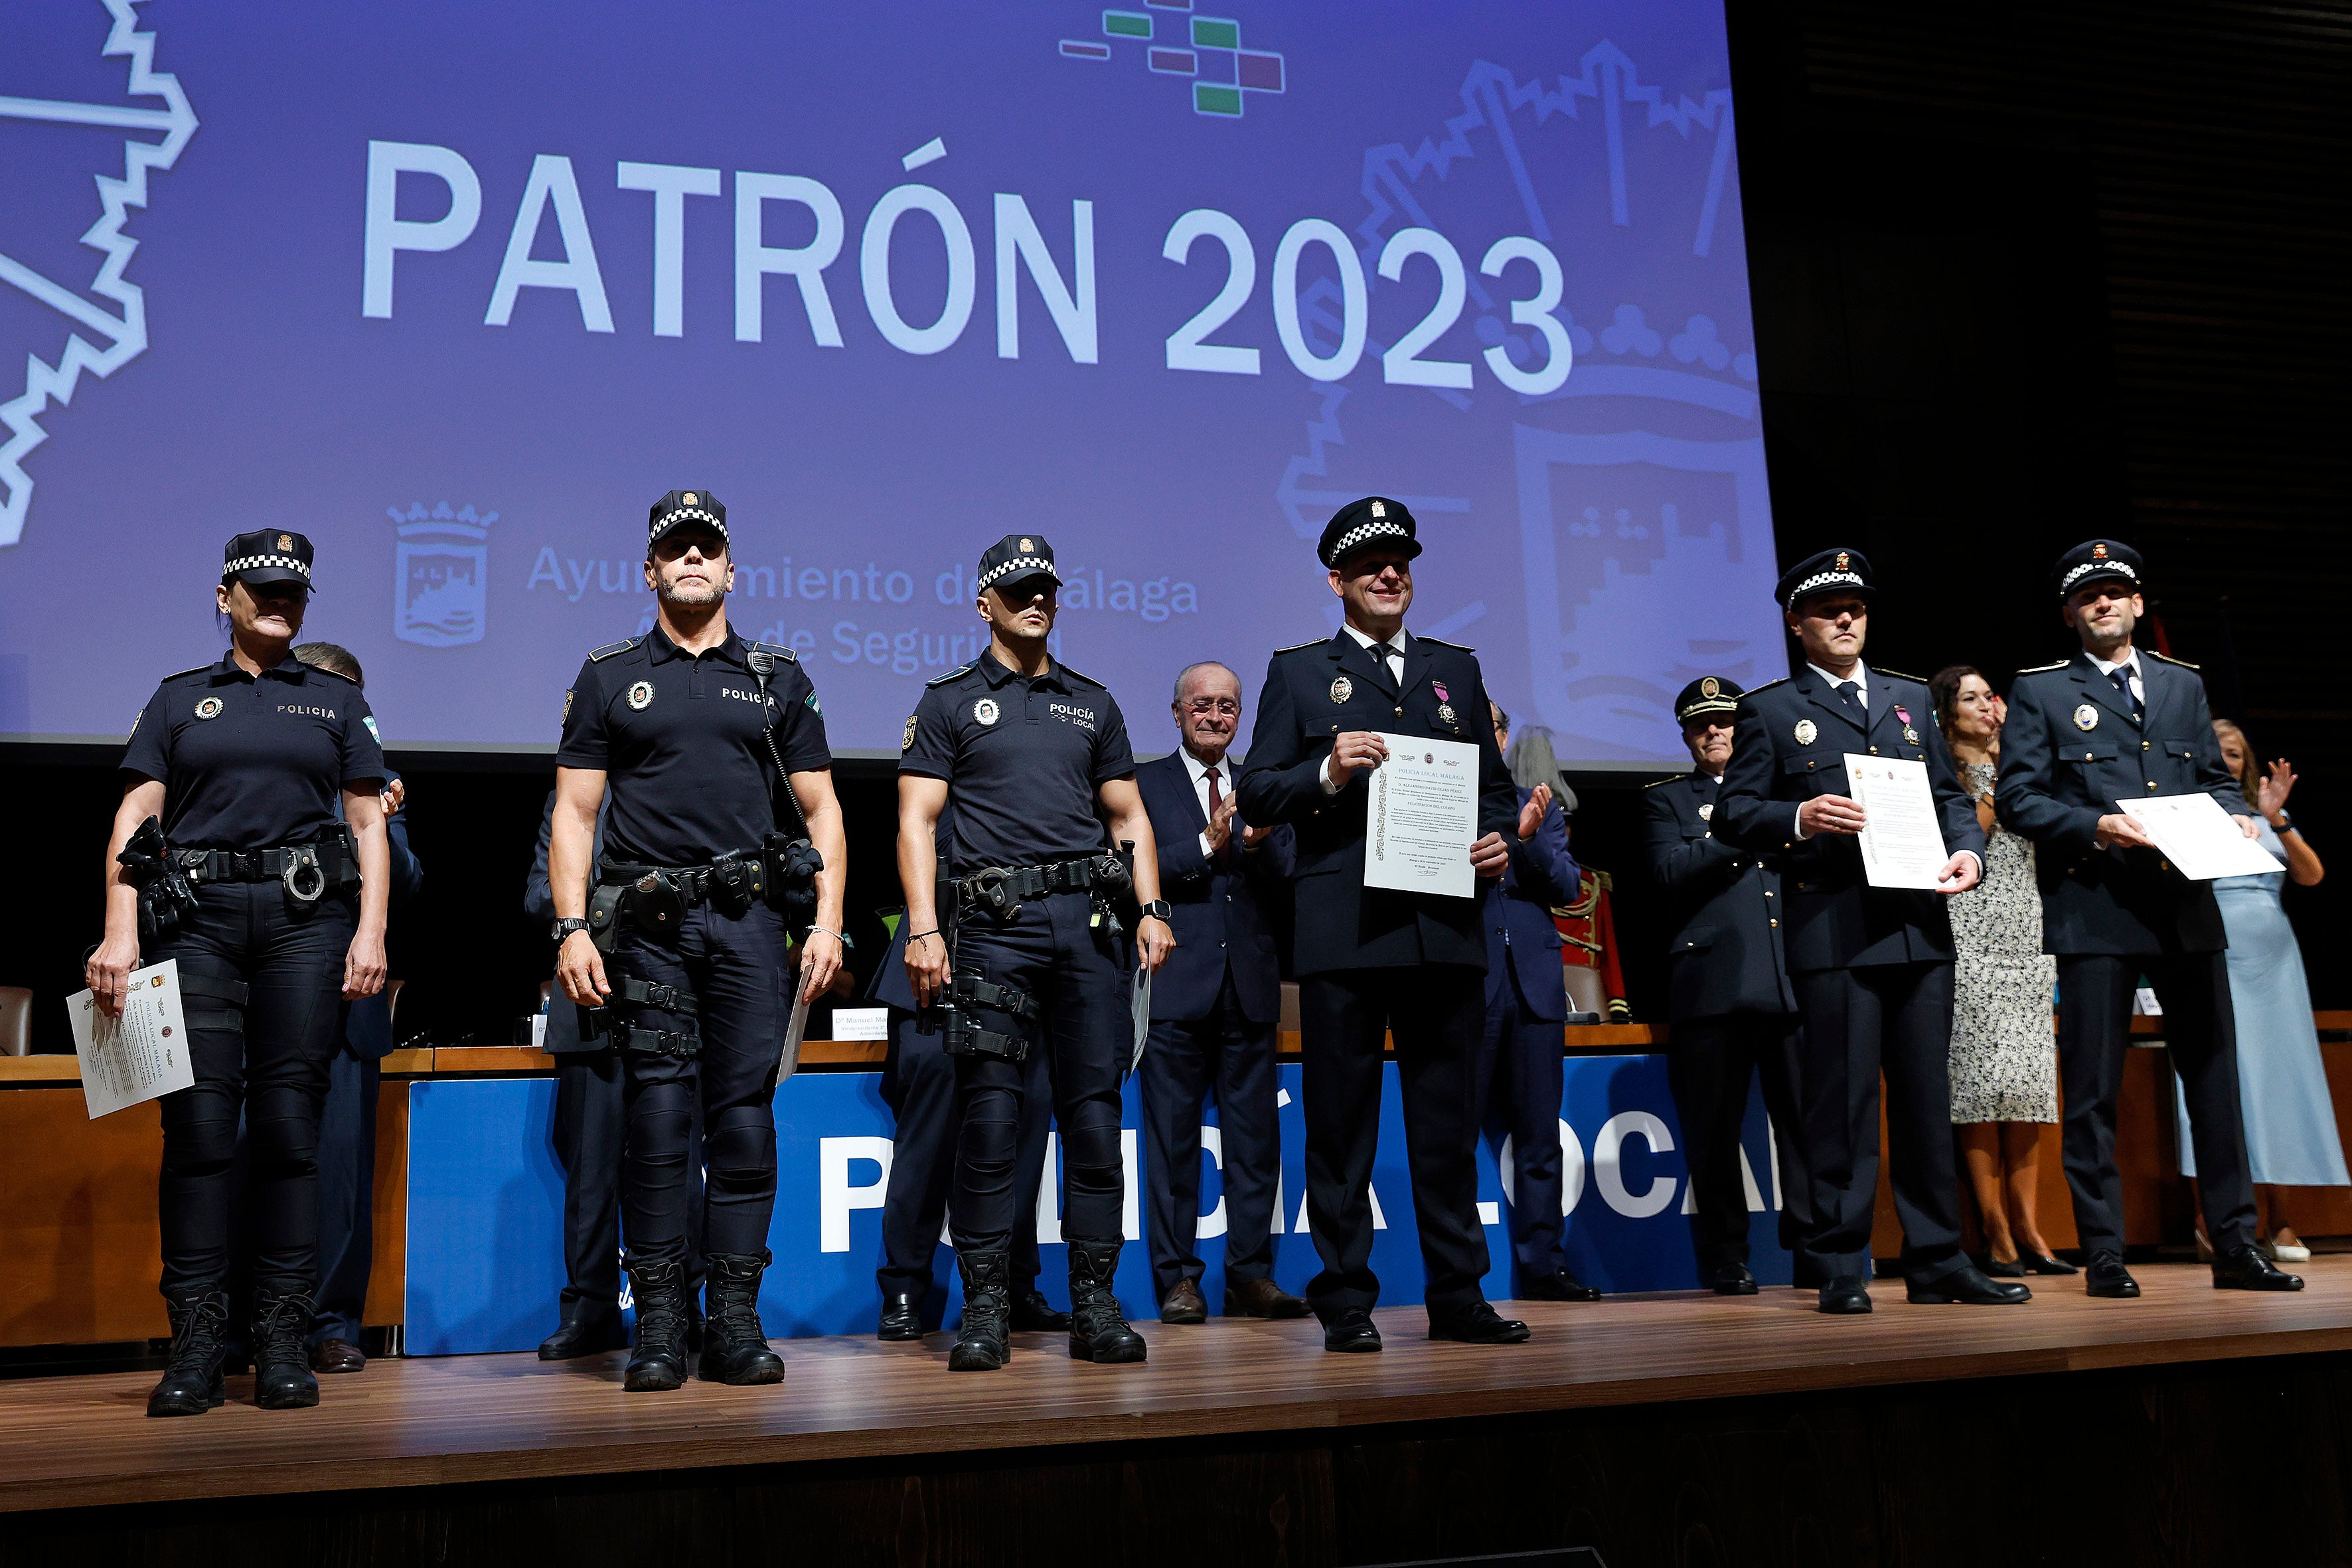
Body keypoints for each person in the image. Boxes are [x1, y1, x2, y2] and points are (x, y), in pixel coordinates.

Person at [550, 489, 851, 1391]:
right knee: (654, 1122)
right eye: (673, 548)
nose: (691, 559)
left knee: (746, 1122)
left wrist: (829, 920)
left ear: (729, 569)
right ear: (648, 569)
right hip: (648, 928)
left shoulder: (774, 675)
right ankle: (658, 1327)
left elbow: (823, 806)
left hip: (753, 924)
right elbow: (572, 811)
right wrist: (570, 928)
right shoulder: (607, 675)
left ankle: (733, 1322)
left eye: (705, 548)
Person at [92, 530, 391, 1416]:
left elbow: (370, 823)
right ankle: (193, 1348)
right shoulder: (180, 699)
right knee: (197, 1135)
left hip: (306, 926)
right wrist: (119, 934)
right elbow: (135, 816)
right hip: (196, 928)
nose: (279, 601)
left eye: (294, 589)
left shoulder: (335, 701)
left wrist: (371, 931)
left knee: (292, 1135)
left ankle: (282, 1344)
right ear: (224, 596)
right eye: (261, 588)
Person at [1236, 495, 1530, 1354]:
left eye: (1400, 559)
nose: (1390, 572)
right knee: (1339, 1128)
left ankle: (1457, 1295)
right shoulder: (1297, 673)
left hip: (1442, 930)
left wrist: (1495, 843)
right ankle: (1344, 1300)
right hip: (1345, 928)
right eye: (1369, 564)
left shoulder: (1455, 669)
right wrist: (1323, 772)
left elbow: (1496, 794)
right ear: (1336, 580)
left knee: (1446, 1123)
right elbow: (1256, 792)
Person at [1714, 547, 2023, 1314]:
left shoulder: (1909, 697)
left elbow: (1951, 796)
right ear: (1796, 623)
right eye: (1827, 609)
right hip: (1834, 929)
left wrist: (1968, 849)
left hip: (1919, 926)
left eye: (1854, 605)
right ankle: (1840, 1261)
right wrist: (1798, 815)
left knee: (1925, 1100)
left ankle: (1938, 1257)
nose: (1846, 617)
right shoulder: (1771, 709)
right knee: (1842, 1105)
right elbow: (1734, 815)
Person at [898, 532, 1174, 1372]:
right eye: (1017, 589)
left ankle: (1096, 1306)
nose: (1035, 599)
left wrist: (1152, 907)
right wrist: (923, 926)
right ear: (985, 604)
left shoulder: (1093, 702)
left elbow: (1128, 818)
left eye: (1046, 587)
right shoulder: (949, 701)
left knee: (1095, 1123)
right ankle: (985, 1310)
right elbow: (916, 820)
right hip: (993, 929)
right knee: (989, 1122)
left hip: (1089, 931)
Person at [1998, 539, 2300, 1295]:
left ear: (2137, 604)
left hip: (2184, 903)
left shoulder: (2180, 684)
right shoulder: (2041, 691)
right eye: (2087, 594)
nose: (2102, 603)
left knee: (2213, 1078)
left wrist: (2236, 816)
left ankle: (2235, 1243)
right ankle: (2104, 1252)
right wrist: (2093, 826)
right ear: (2070, 613)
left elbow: (2212, 779)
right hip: (2095, 906)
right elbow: (2019, 799)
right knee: (2095, 1087)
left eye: (2115, 591)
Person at [1136, 661, 1306, 1324]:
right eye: (1202, 704)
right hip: (1177, 987)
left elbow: (1294, 873)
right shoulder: (1143, 784)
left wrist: (1260, 843)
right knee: (1173, 1146)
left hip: (1251, 992)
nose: (1215, 715)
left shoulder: (1264, 786)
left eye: (1228, 706)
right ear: (1176, 712)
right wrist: (1207, 846)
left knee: (1256, 1144)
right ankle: (1179, 1280)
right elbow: (1128, 871)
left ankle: (1251, 1276)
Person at [524, 787, 708, 1360]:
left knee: (675, 1164)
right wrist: (617, 898)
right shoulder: (568, 803)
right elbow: (538, 896)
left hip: (673, 1003)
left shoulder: (682, 791)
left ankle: (684, 1304)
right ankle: (589, 1310)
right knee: (592, 1172)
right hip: (591, 1008)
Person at [1643, 677, 1813, 1294]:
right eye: (1699, 725)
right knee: (1712, 1133)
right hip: (1711, 987)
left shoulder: (1789, 796)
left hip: (1791, 978)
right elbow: (1668, 869)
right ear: (1686, 736)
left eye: (1725, 722)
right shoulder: (1667, 801)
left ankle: (1815, 1248)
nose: (1714, 732)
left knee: (1805, 1127)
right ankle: (1725, 1256)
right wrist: (1741, 830)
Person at [286, 643, 428, 1372]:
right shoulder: (255, 770)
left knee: (342, 1175)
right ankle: (253, 1323)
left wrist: (364, 819)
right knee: (262, 1158)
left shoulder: (379, 782)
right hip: (267, 994)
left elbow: (404, 878)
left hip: (348, 1001)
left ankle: (333, 1323)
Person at [2176, 721, 2342, 1261]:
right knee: (2218, 1081)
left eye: (2234, 754)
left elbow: (2312, 877)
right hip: (2214, 954)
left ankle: (2281, 1220)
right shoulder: (2185, 813)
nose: (2226, 762)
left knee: (2278, 1082)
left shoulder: (2264, 818)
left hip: (2275, 968)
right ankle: (2215, 1219)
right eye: (2216, 753)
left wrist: (2279, 820)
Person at [869, 911, 1070, 1342]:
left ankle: (1013, 1287)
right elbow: (916, 843)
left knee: (1021, 1136)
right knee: (926, 1142)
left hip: (1025, 974)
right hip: (939, 961)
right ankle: (903, 1289)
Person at [1928, 665, 2067, 1278]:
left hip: (2025, 926)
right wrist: (1994, 784)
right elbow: (1968, 842)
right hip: (1970, 927)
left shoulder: (2024, 766)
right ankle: (1995, 1232)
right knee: (1982, 1085)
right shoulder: (1949, 775)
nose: (1987, 706)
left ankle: (2031, 1227)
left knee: (2028, 1088)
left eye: (1991, 695)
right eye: (1971, 698)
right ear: (1947, 712)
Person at [1478, 701, 1599, 1302]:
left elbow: (1565, 885)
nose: (1486, 733)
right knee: (1448, 1139)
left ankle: (1544, 1264)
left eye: (1494, 724)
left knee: (1538, 1137)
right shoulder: (1439, 800)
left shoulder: (1538, 800)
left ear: (1501, 737)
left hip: (1532, 986)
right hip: (1465, 986)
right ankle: (1459, 1276)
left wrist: (1525, 838)